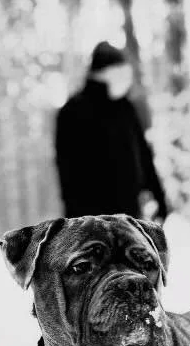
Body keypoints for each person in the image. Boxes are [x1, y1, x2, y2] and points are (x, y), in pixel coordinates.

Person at [54, 42, 169, 223]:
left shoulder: (125, 108)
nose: (126, 79)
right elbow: (66, 172)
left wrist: (159, 198)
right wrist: (76, 221)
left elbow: (143, 156)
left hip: (128, 216)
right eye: (121, 73)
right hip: (88, 220)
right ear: (106, 73)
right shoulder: (73, 112)